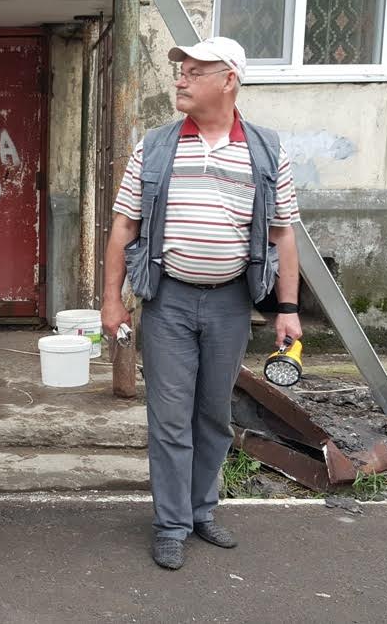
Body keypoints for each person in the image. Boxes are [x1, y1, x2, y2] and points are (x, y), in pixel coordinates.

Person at [101, 37, 303, 571]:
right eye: (181, 71)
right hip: (167, 302)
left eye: (195, 72)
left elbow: (283, 233)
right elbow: (123, 226)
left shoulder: (266, 150)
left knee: (213, 415)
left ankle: (199, 511)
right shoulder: (156, 146)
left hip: (230, 305)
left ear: (229, 80)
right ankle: (170, 525)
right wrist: (112, 302)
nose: (181, 80)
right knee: (169, 419)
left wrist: (287, 308)